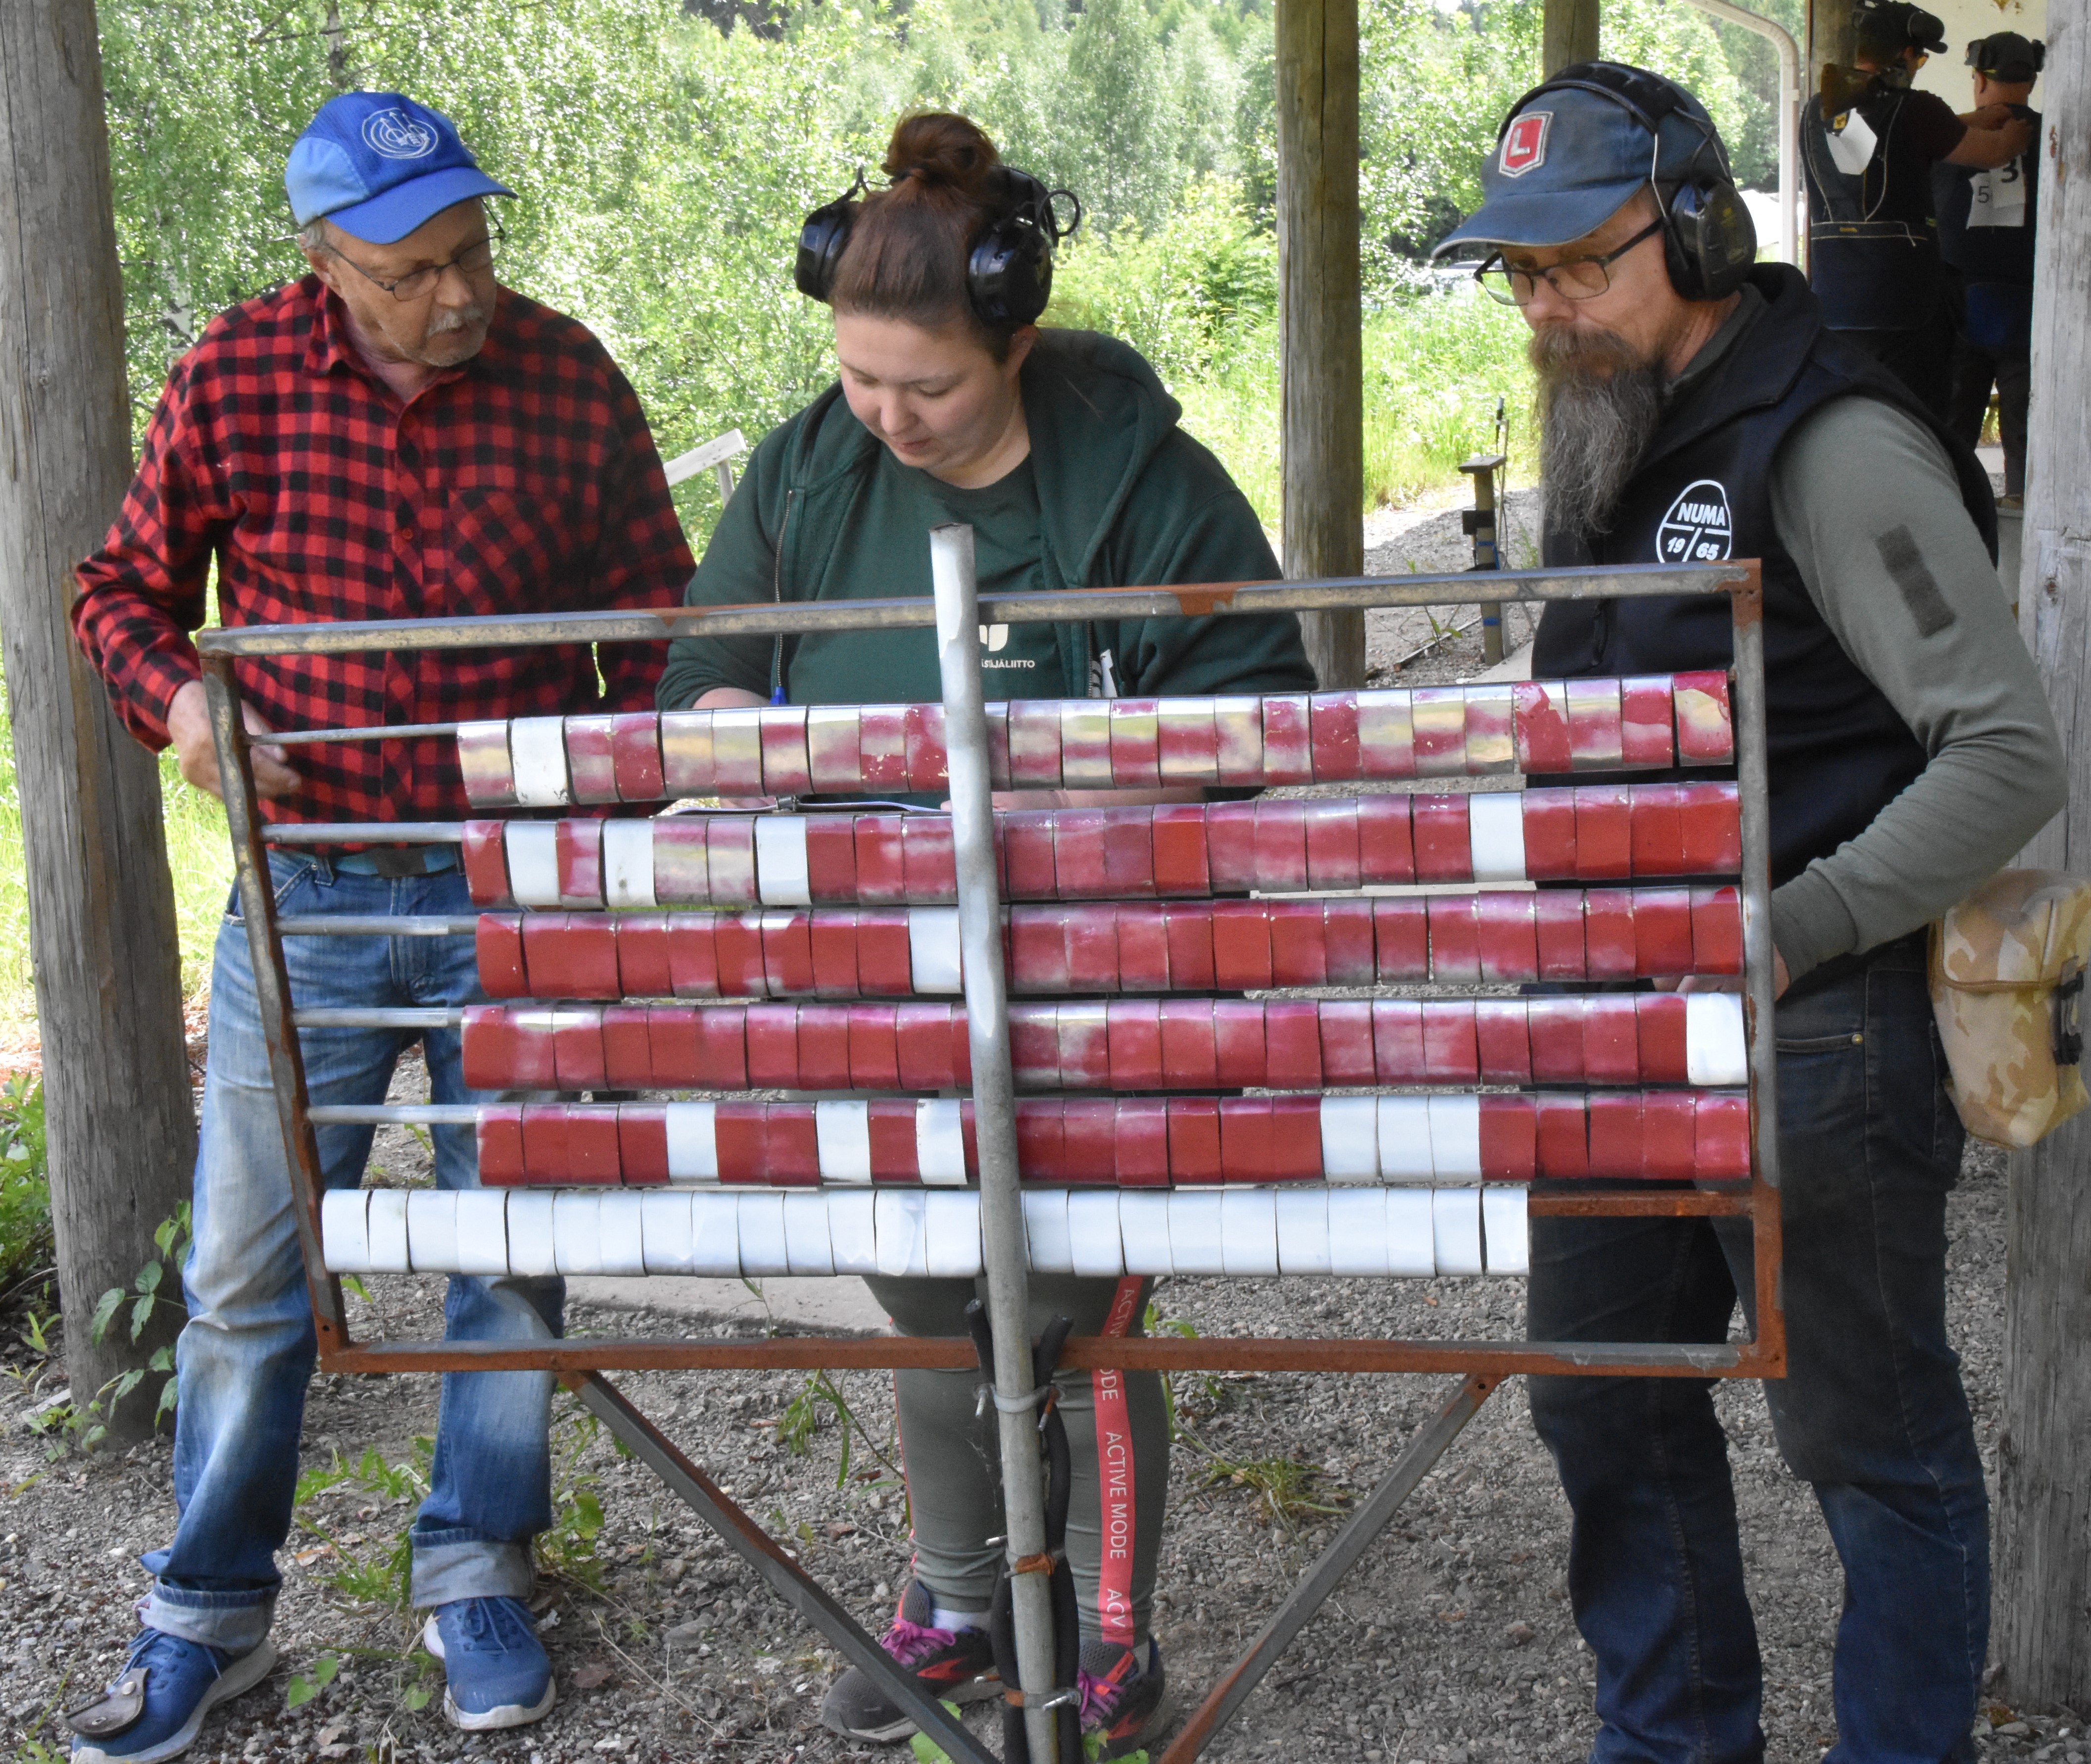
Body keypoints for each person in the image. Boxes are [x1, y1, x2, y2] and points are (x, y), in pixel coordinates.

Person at [657, 111, 1314, 1759]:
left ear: (1013, 342)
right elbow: (702, 674)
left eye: (926, 389)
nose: (888, 418)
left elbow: (1260, 722)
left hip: (1096, 979)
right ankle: (955, 1596)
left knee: (1076, 1311)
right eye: (863, 378)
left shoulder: (1147, 484)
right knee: (920, 1290)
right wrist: (736, 743)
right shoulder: (813, 463)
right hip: (867, 968)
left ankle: (1107, 1622)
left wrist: (1102, 817)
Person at [1434, 61, 2066, 1764]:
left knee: (1868, 1445)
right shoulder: (1610, 427)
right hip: (1613, 1015)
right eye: (1520, 272)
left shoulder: (1834, 439)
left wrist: (1788, 924)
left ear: (1700, 233)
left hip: (1809, 1013)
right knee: (1601, 1404)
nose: (1544, 303)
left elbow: (2006, 755)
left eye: (1578, 264)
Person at [68, 92, 692, 1760]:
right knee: (250, 1272)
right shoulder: (235, 375)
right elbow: (120, 592)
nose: (458, 291)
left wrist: (607, 824)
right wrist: (183, 717)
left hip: (508, 881)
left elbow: (658, 625)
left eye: (473, 250)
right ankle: (207, 1605)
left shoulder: (568, 379)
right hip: (310, 889)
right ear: (327, 262)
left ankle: (478, 1563)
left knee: (509, 1255)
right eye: (416, 269)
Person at [1800, 0, 2033, 415]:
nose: (1919, 66)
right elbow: (1996, 152)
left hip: (1835, 302)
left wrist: (1970, 120)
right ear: (1904, 55)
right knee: (1920, 425)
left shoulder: (1819, 109)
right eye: (1921, 57)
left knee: (1855, 419)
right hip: (1903, 305)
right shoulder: (1915, 110)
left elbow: (1879, 142)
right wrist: (2020, 129)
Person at [1935, 32, 2043, 503]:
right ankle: (2021, 509)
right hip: (2031, 309)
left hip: (1958, 306)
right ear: (2032, 80)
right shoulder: (2056, 137)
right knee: (2025, 432)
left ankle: (1948, 513)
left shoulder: (1952, 140)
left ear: (1978, 80)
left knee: (1951, 435)